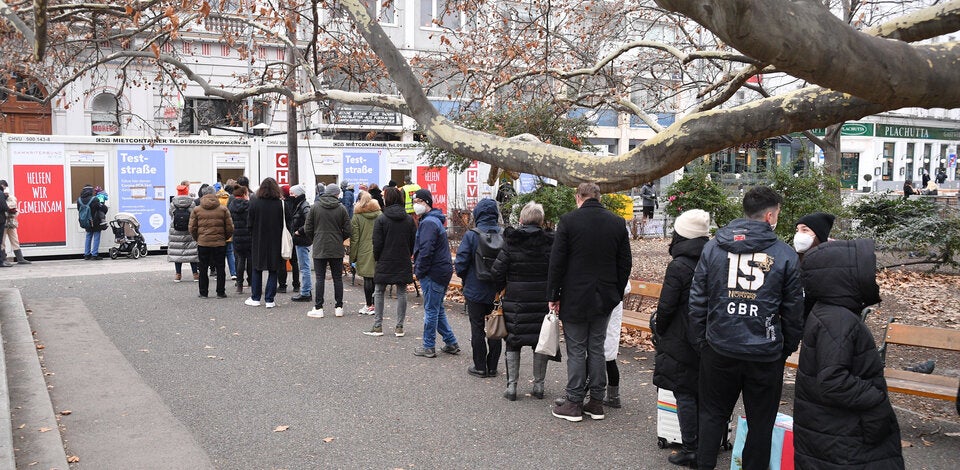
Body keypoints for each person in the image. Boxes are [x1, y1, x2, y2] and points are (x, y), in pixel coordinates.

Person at [688, 186, 803, 470]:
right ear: (769, 215)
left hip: (719, 347)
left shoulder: (713, 247)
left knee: (712, 416)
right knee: (761, 424)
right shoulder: (785, 254)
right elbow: (793, 310)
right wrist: (785, 346)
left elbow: (697, 299)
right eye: (776, 213)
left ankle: (704, 465)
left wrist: (702, 339)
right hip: (764, 353)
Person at [795, 239, 904, 469]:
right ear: (844, 276)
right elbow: (833, 380)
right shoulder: (838, 320)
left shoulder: (831, 312)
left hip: (834, 433)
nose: (873, 277)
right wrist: (875, 399)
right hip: (845, 438)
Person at [547, 182, 632, 422]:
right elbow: (625, 262)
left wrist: (553, 295)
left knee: (576, 349)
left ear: (579, 197)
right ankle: (596, 401)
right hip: (605, 297)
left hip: (574, 296)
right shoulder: (616, 222)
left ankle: (574, 402)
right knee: (596, 347)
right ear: (599, 197)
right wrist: (615, 292)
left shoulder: (568, 221)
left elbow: (557, 262)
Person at [651, 209, 711, 467]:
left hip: (681, 335)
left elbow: (666, 307)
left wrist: (659, 330)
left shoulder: (680, 265)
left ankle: (691, 447)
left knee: (684, 392)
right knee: (703, 392)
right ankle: (707, 444)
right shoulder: (713, 258)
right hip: (708, 335)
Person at [489, 201, 555, 400]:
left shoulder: (511, 242)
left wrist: (502, 288)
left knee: (513, 342)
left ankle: (511, 387)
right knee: (540, 341)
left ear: (521, 220)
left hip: (515, 300)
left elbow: (497, 272)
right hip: (542, 300)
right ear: (541, 221)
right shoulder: (550, 243)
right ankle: (539, 386)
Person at [454, 198, 503, 379]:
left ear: (478, 214)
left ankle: (480, 367)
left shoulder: (472, 235)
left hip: (475, 289)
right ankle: (492, 367)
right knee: (496, 327)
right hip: (497, 291)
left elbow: (460, 263)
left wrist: (466, 278)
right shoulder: (504, 234)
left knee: (477, 328)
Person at [411, 188, 460, 358]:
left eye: (419, 202)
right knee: (437, 309)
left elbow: (426, 250)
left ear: (427, 203)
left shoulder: (429, 223)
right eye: (414, 203)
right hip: (439, 270)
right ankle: (451, 342)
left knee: (431, 310)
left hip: (433, 272)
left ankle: (428, 346)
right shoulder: (432, 220)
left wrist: (420, 270)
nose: (416, 206)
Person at [363, 187, 416, 337]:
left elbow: (377, 242)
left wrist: (378, 257)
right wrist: (407, 254)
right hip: (403, 259)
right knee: (402, 292)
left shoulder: (382, 219)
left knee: (379, 291)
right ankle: (399, 327)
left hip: (384, 260)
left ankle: (378, 325)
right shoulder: (409, 219)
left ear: (387, 199)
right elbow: (413, 242)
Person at [302, 183, 351, 318]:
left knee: (319, 278)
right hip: (336, 246)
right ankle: (339, 307)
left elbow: (307, 228)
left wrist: (315, 238)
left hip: (320, 246)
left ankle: (319, 307)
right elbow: (348, 229)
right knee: (337, 278)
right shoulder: (341, 208)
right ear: (336, 194)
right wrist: (339, 238)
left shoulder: (315, 207)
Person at [244, 177, 285, 309]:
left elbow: (249, 223)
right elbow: (285, 223)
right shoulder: (280, 204)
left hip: (258, 239)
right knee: (273, 270)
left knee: (257, 268)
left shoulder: (255, 202)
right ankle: (269, 299)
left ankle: (255, 298)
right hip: (276, 240)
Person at [189, 186, 234, 298]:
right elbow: (230, 228)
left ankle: (203, 292)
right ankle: (220, 292)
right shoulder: (223, 209)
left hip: (203, 243)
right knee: (220, 267)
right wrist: (224, 238)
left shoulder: (197, 210)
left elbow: (192, 228)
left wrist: (198, 238)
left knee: (203, 268)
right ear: (215, 194)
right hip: (219, 243)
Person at [351, 190, 382, 315]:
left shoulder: (357, 216)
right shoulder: (380, 214)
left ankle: (369, 304)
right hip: (378, 249)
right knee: (376, 278)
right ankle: (376, 305)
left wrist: (353, 256)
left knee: (367, 279)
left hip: (363, 250)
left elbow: (355, 238)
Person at [169, 183, 200, 282]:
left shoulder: (173, 203)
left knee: (178, 253)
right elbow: (194, 215)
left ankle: (178, 275)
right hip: (189, 231)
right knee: (192, 253)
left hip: (176, 231)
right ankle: (195, 275)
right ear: (187, 192)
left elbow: (171, 214)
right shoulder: (192, 203)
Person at [289, 185, 313, 303]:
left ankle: (305, 292)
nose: (290, 196)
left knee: (304, 267)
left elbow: (309, 221)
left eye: (292, 194)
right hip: (301, 239)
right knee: (304, 266)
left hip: (302, 239)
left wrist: (299, 231)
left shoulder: (304, 205)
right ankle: (306, 290)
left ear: (297, 194)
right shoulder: (301, 204)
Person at [229, 185, 253, 293]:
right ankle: (251, 282)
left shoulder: (231, 205)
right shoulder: (248, 205)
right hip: (248, 235)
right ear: (244, 194)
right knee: (251, 260)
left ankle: (239, 285)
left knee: (240, 260)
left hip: (237, 236)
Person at [1, 182, 30, 264]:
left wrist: (10, 209)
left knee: (15, 240)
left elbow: (13, 205)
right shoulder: (2, 198)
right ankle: (3, 259)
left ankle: (20, 258)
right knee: (2, 241)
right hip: (3, 222)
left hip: (11, 222)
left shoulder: (11, 197)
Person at [77, 184, 108, 260]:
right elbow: (102, 208)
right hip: (96, 221)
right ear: (91, 191)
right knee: (96, 237)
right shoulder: (94, 199)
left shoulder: (79, 200)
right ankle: (94, 254)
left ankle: (87, 254)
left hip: (86, 221)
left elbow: (79, 209)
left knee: (88, 236)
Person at [216, 187, 237, 281]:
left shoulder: (215, 201)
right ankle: (233, 273)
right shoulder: (230, 199)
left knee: (219, 254)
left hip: (218, 232)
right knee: (230, 253)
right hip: (228, 231)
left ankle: (219, 273)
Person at [0, 180, 11, 267]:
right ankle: (1, 261)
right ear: (2, 185)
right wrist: (9, 210)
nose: (5, 188)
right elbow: (4, 206)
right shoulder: (0, 193)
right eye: (4, 186)